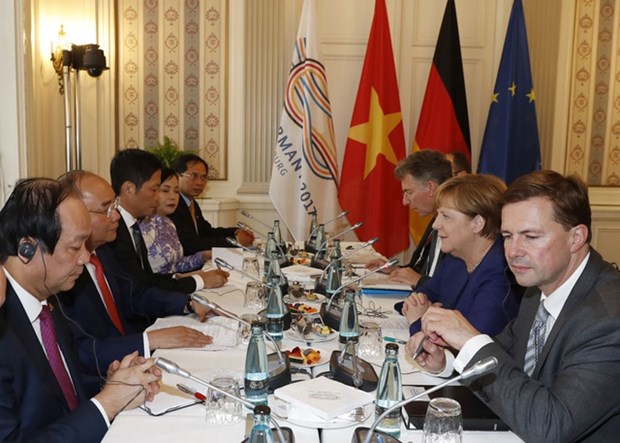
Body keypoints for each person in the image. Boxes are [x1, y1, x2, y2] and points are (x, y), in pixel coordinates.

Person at [410, 170, 620, 442]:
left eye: (531, 236)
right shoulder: (539, 287)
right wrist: (446, 361)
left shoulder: (609, 319)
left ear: (576, 238)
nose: (513, 251)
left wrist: (470, 341)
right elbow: (503, 352)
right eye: (508, 236)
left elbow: (550, 427)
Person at [0, 178, 161, 442]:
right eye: (75, 247)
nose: (85, 258)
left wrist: (113, 385)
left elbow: (61, 394)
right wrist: (106, 403)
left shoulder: (48, 301)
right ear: (26, 249)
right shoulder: (4, 323)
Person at [57, 170, 214, 380]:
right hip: (102, 378)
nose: (116, 216)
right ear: (75, 215)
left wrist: (187, 303)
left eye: (115, 206)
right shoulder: (63, 272)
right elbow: (82, 352)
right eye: (107, 209)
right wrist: (149, 341)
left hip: (132, 362)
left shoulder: (103, 252)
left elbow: (134, 295)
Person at [399, 174, 521, 338]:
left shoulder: (501, 275)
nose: (435, 225)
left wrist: (420, 321)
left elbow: (470, 347)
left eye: (446, 216)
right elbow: (419, 296)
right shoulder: (455, 259)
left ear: (477, 223)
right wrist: (432, 314)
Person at [108, 149, 229, 294]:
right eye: (155, 189)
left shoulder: (137, 223)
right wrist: (198, 281)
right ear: (128, 189)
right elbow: (139, 289)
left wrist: (194, 276)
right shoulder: (113, 230)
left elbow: (148, 280)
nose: (158, 197)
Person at [367, 150, 452, 287]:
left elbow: (452, 289)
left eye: (409, 192)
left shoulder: (456, 229)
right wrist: (396, 270)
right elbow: (422, 269)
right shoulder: (434, 220)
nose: (405, 202)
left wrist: (419, 281)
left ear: (431, 187)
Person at [169, 153, 254, 254]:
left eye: (203, 177)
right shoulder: (172, 205)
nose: (200, 182)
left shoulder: (191, 203)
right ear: (177, 176)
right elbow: (191, 244)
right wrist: (235, 241)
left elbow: (206, 232)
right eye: (194, 176)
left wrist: (234, 231)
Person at [140, 167, 210, 274]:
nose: (173, 197)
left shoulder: (169, 223)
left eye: (176, 191)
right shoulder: (142, 226)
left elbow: (176, 265)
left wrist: (202, 256)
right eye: (165, 190)